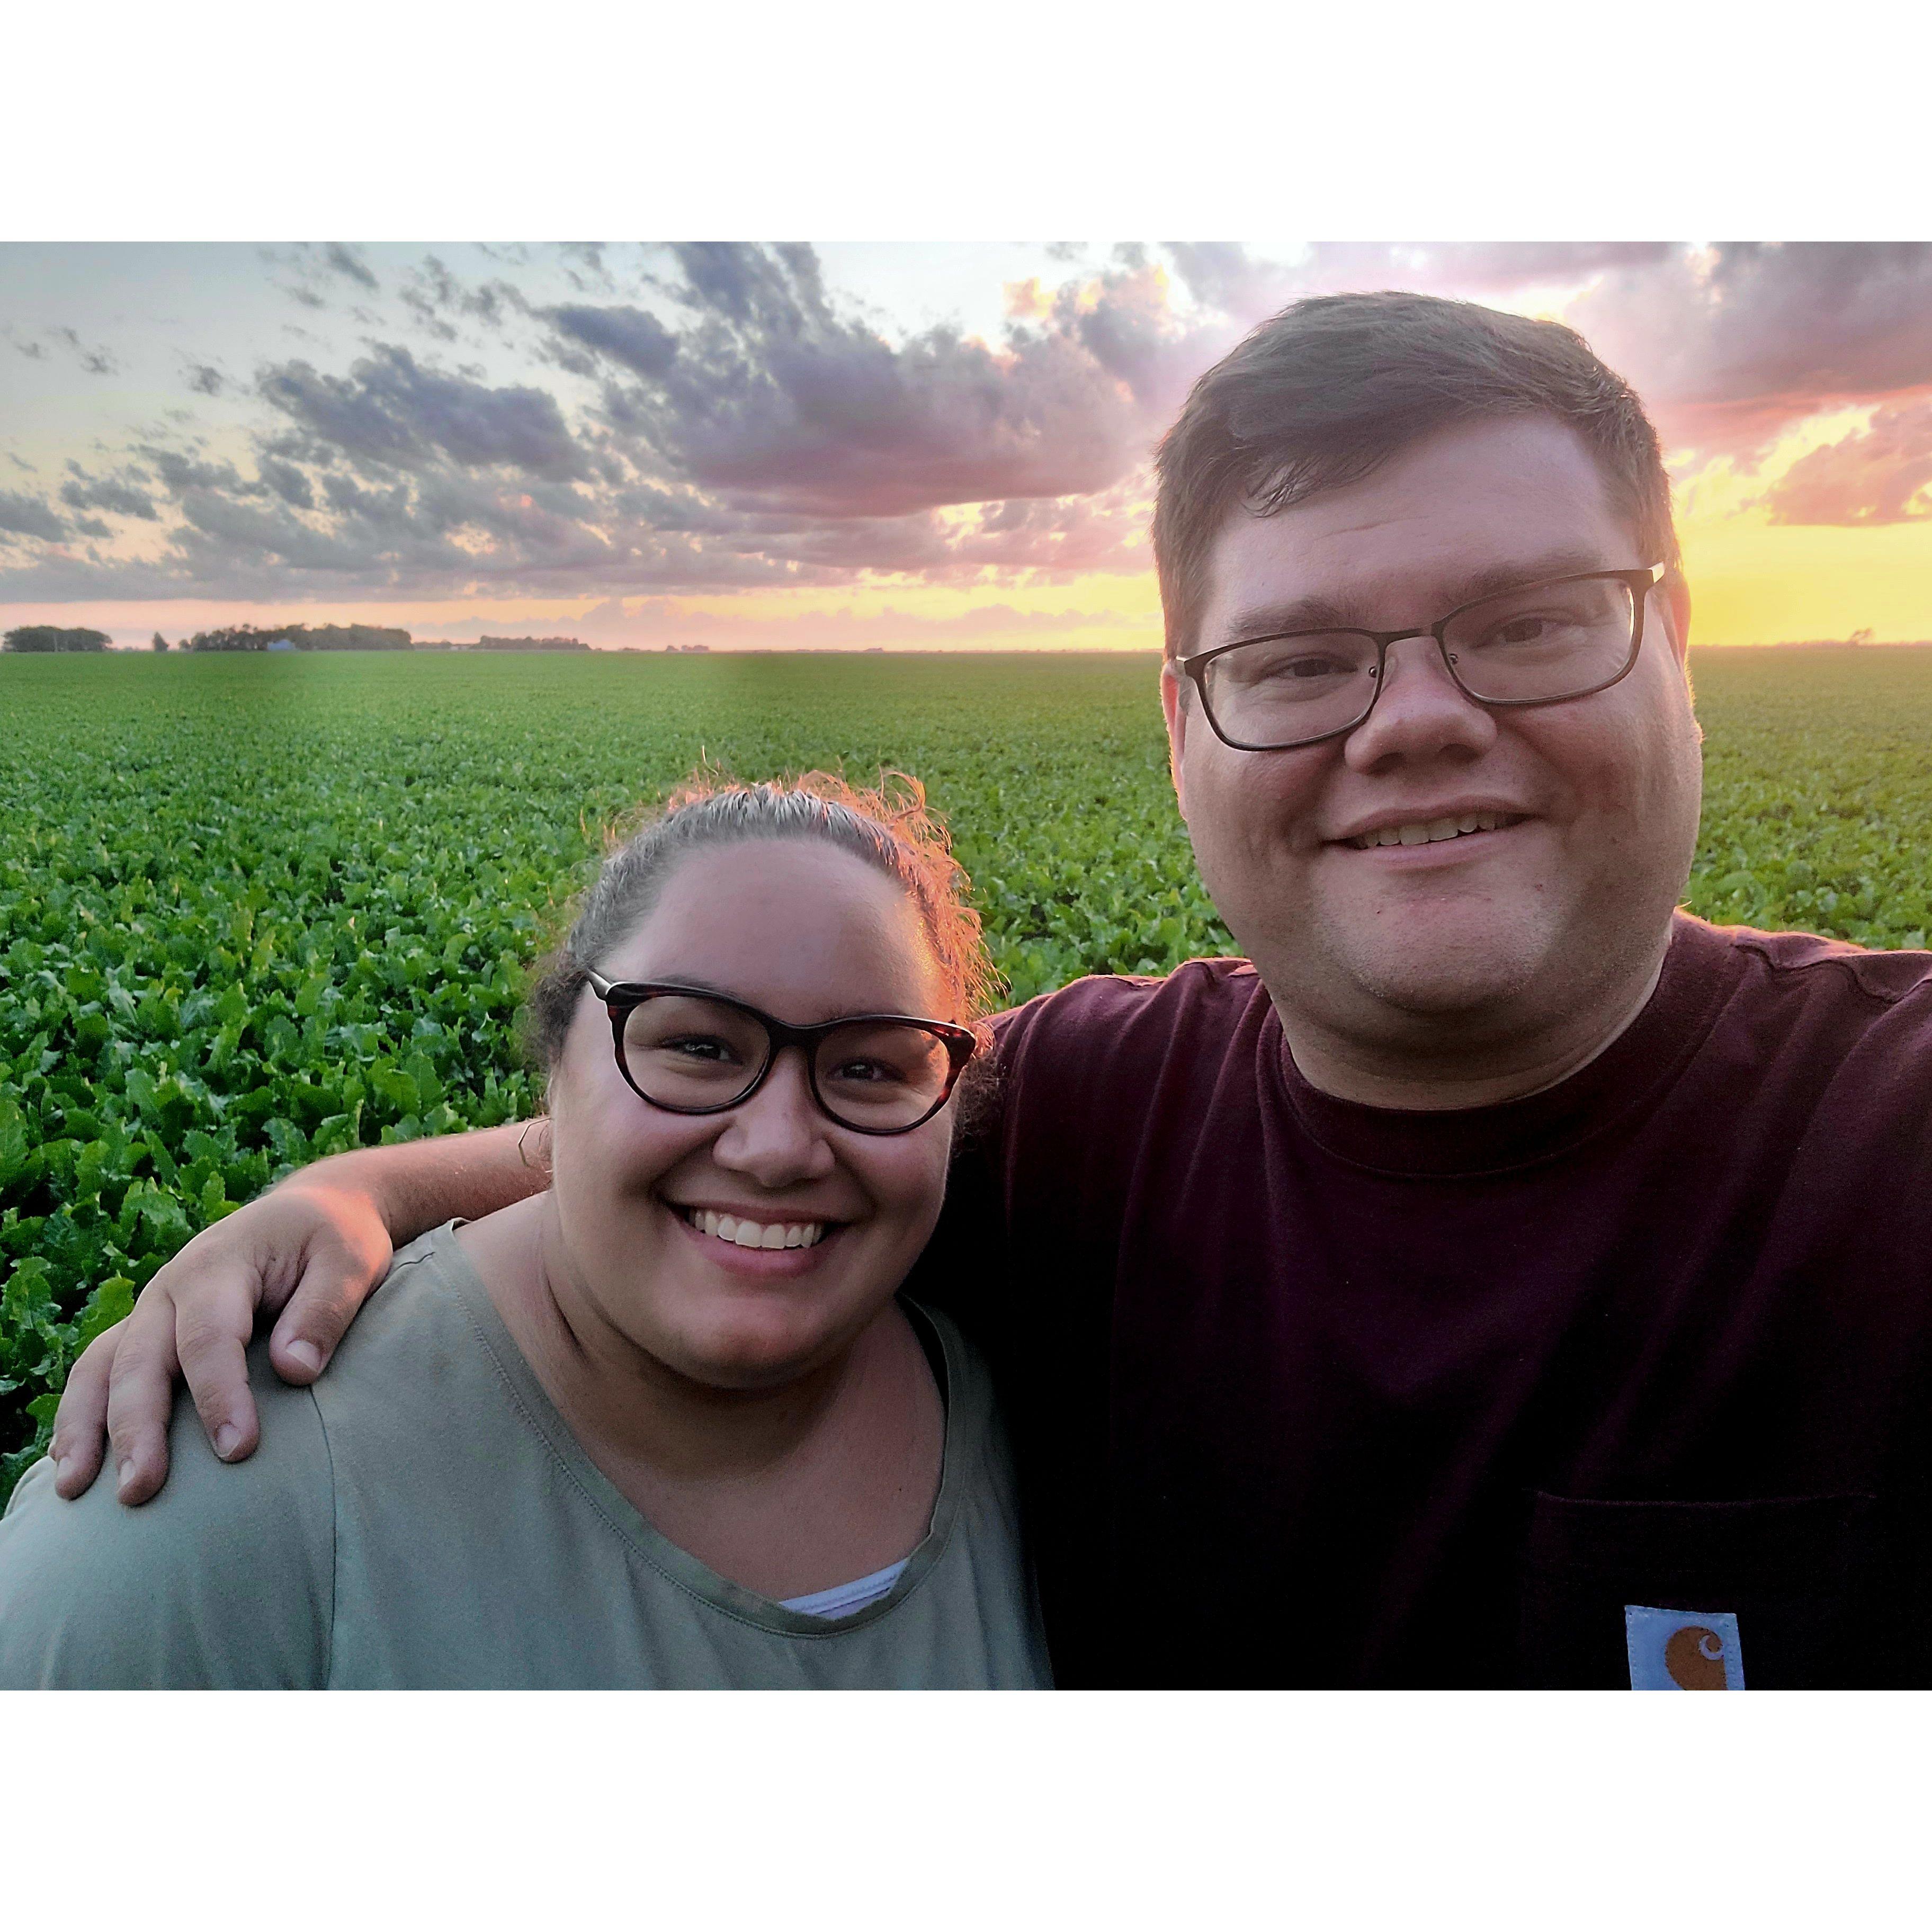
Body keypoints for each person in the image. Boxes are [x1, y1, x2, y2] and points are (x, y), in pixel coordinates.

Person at [41, 292, 1932, 1688]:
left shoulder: (1886, 1137)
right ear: (1182, 723)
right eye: (1293, 658)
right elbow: (744, 1123)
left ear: (1676, 641)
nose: (1416, 723)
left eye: (1523, 622)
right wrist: (349, 1192)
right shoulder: (1092, 1115)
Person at [0, 773, 1051, 1687]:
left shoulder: (1037, 1412)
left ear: (961, 1101)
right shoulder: (212, 1515)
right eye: (694, 1045)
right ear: (555, 1074)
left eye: (871, 1065)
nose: (778, 1146)